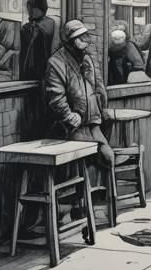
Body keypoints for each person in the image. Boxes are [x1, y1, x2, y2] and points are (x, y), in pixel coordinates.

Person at [45, 20, 115, 173]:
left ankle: (103, 192)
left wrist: (101, 106)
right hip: (72, 126)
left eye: (85, 38)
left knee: (107, 156)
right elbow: (56, 97)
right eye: (80, 40)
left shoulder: (87, 59)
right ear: (70, 42)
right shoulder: (56, 62)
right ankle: (89, 193)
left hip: (93, 121)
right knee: (100, 156)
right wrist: (69, 116)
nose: (84, 45)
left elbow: (97, 85)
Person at [19, 0, 57, 83]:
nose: (30, 12)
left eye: (32, 9)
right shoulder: (50, 22)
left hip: (37, 69)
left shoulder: (31, 28)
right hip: (42, 70)